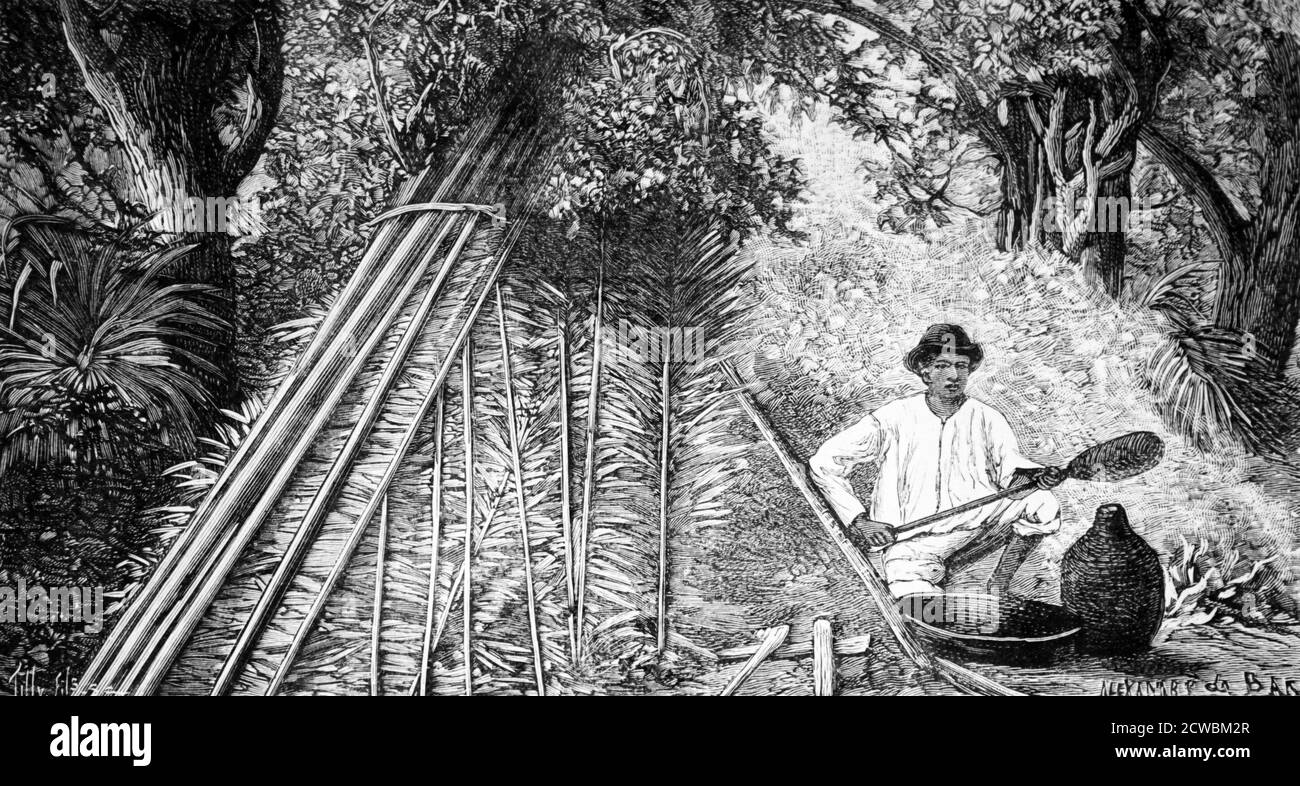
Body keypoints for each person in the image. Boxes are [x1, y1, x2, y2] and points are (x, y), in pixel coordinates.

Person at [809, 323, 1066, 598]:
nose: (954, 375)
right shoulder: (894, 417)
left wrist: (1036, 478)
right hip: (913, 538)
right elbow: (825, 462)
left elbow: (1010, 475)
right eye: (943, 365)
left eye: (962, 366)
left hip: (975, 520)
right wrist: (859, 521)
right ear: (925, 370)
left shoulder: (987, 417)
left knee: (1043, 502)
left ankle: (999, 583)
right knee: (919, 606)